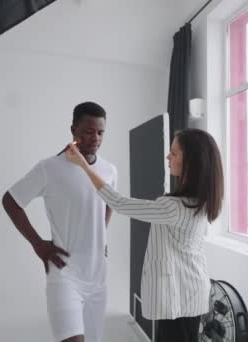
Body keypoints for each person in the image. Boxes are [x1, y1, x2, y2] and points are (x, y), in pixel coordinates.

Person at [65, 128, 224, 342]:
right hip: (192, 290)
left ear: (191, 162)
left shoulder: (173, 207)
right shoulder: (202, 200)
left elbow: (119, 203)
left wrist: (84, 165)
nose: (168, 156)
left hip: (177, 297)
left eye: (174, 153)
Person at [2, 101, 117, 342]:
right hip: (65, 275)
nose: (95, 137)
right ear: (73, 129)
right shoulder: (50, 168)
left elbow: (110, 203)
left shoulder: (109, 170)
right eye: (89, 131)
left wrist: (100, 235)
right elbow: (11, 201)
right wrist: (38, 245)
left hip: (98, 278)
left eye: (100, 132)